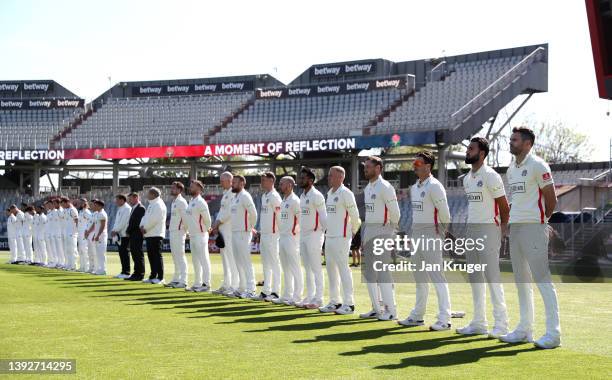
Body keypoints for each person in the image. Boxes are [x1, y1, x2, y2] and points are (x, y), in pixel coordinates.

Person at [500, 127, 561, 349]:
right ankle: (524, 329)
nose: (511, 142)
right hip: (516, 228)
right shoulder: (512, 169)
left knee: (543, 281)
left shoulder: (538, 165)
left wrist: (540, 222)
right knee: (521, 281)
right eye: (511, 139)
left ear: (527, 143)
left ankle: (553, 334)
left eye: (514, 140)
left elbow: (551, 199)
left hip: (534, 227)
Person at [456, 137, 510, 338]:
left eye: (471, 149)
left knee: (492, 276)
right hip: (472, 230)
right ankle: (479, 322)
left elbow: (504, 206)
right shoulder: (467, 178)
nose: (467, 152)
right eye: (467, 148)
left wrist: (502, 229)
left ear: (482, 153)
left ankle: (502, 324)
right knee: (475, 277)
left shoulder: (491, 176)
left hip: (489, 229)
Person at [399, 151, 452, 330]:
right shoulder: (415, 188)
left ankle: (444, 318)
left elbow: (445, 214)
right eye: (414, 163)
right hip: (417, 235)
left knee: (437, 276)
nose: (415, 166)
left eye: (418, 163)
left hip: (431, 235)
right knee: (420, 278)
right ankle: (417, 315)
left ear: (428, 166)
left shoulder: (435, 186)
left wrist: (441, 233)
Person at [359, 156, 400, 321]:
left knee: (383, 271)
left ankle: (391, 311)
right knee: (370, 273)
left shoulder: (385, 187)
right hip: (369, 231)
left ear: (378, 168)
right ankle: (376, 308)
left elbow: (396, 213)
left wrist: (389, 232)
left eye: (368, 167)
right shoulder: (368, 187)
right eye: (365, 167)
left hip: (382, 232)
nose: (365, 169)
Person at [320, 166, 361, 315]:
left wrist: (351, 232)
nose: (329, 177)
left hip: (342, 237)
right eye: (329, 175)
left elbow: (355, 216)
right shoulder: (330, 193)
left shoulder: (346, 193)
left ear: (340, 177)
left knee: (343, 269)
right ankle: (334, 301)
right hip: (329, 237)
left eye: (331, 175)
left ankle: (349, 304)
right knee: (331, 270)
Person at [297, 167, 328, 309]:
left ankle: (318, 299)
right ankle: (310, 296)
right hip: (303, 235)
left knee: (316, 268)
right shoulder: (302, 196)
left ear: (311, 180)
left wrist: (325, 235)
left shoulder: (317, 196)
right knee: (307, 268)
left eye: (303, 178)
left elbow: (324, 217)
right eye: (300, 177)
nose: (300, 180)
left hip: (315, 235)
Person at [272, 176, 303, 305]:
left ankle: (297, 296)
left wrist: (294, 233)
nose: (280, 185)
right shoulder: (283, 201)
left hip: (291, 238)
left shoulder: (295, 200)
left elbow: (301, 219)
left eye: (282, 183)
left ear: (290, 185)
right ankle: (287, 295)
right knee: (286, 267)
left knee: (295, 267)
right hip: (282, 237)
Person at [255, 172, 282, 301]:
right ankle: (266, 291)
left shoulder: (275, 196)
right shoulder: (264, 196)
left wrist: (280, 233)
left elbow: (279, 217)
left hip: (273, 235)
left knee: (274, 263)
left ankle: (276, 291)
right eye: (261, 180)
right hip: (264, 234)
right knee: (265, 263)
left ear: (272, 181)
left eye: (264, 180)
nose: (262, 182)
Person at [229, 175, 258, 299]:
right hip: (235, 232)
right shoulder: (235, 197)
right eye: (232, 182)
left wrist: (250, 226)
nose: (232, 184)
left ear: (242, 183)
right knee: (238, 261)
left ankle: (251, 289)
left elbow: (254, 213)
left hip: (243, 232)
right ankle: (242, 287)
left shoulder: (245, 196)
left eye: (234, 182)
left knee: (245, 261)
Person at [211, 172, 239, 296]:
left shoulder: (233, 193)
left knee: (231, 258)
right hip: (223, 229)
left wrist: (218, 222)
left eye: (223, 180)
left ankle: (234, 285)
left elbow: (229, 212)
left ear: (230, 180)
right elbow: (222, 211)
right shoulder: (226, 194)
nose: (221, 183)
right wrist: (217, 224)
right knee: (225, 258)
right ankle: (226, 284)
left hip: (229, 229)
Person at [184, 180, 212, 292]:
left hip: (201, 234)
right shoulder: (191, 201)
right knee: (195, 260)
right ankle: (197, 282)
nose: (190, 188)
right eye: (190, 186)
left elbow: (207, 219)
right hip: (193, 234)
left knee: (203, 259)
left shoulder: (201, 202)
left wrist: (206, 230)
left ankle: (206, 284)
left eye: (192, 186)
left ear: (199, 189)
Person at [140, 187, 167, 284]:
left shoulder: (159, 204)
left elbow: (154, 220)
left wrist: (145, 227)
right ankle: (153, 275)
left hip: (156, 233)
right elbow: (145, 217)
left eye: (149, 193)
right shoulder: (151, 204)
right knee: (151, 255)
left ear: (153, 195)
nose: (147, 195)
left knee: (156, 255)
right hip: (149, 234)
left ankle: (160, 277)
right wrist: (141, 226)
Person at [166, 181, 189, 288]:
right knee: (175, 256)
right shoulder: (174, 202)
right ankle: (176, 278)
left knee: (180, 255)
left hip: (180, 232)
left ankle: (184, 280)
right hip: (173, 231)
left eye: (174, 188)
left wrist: (186, 231)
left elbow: (185, 218)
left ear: (180, 190)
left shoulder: (182, 202)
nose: (172, 190)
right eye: (172, 188)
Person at [125, 192, 146, 281]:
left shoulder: (141, 208)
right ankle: (136, 273)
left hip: (137, 233)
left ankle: (140, 274)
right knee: (134, 254)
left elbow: (137, 222)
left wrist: (129, 230)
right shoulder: (134, 208)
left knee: (138, 254)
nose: (129, 201)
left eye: (130, 199)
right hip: (133, 234)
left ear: (136, 198)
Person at [111, 194, 132, 278]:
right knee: (121, 253)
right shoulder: (120, 208)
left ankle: (126, 272)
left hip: (124, 234)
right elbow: (117, 222)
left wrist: (115, 230)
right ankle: (123, 271)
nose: (116, 202)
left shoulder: (127, 208)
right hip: (119, 234)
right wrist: (114, 229)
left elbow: (124, 222)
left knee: (125, 253)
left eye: (117, 200)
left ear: (122, 200)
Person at [85, 199, 108, 275]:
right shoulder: (97, 214)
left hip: (101, 236)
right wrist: (94, 234)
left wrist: (98, 235)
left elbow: (103, 226)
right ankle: (99, 269)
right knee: (97, 253)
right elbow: (95, 225)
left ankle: (103, 269)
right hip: (97, 235)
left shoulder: (102, 214)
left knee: (101, 253)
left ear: (99, 206)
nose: (93, 206)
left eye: (95, 205)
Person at [60, 197, 79, 271]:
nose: (62, 206)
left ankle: (73, 265)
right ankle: (68, 264)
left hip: (72, 232)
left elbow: (77, 221)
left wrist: (76, 232)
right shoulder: (65, 210)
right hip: (66, 232)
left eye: (63, 204)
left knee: (72, 249)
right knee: (67, 249)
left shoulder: (73, 210)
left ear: (67, 202)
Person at [77, 199, 92, 273]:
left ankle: (86, 267)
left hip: (84, 233)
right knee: (81, 250)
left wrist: (87, 231)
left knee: (84, 250)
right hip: (80, 233)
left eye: (81, 202)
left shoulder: (87, 212)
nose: (79, 204)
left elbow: (90, 221)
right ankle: (82, 266)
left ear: (84, 203)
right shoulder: (81, 212)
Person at [50, 198, 66, 269]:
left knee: (61, 248)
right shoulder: (56, 211)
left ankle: (62, 262)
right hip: (56, 232)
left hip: (61, 232)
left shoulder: (62, 211)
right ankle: (59, 262)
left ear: (58, 203)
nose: (53, 205)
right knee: (57, 248)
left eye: (54, 203)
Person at [43, 201, 57, 268]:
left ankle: (55, 261)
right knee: (49, 248)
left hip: (54, 232)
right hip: (48, 233)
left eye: (48, 205)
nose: (47, 207)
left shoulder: (55, 212)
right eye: (46, 206)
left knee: (54, 248)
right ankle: (51, 261)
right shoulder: (49, 213)